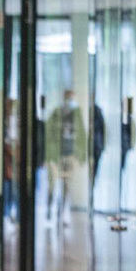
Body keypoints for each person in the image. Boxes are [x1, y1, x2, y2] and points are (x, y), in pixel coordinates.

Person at [45, 89, 86, 223]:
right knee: (52, 184)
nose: (70, 102)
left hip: (70, 154)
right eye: (68, 98)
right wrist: (48, 154)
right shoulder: (56, 113)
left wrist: (82, 156)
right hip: (56, 155)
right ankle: (49, 208)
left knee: (67, 184)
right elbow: (48, 133)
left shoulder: (77, 115)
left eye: (72, 99)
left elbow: (82, 135)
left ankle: (62, 211)